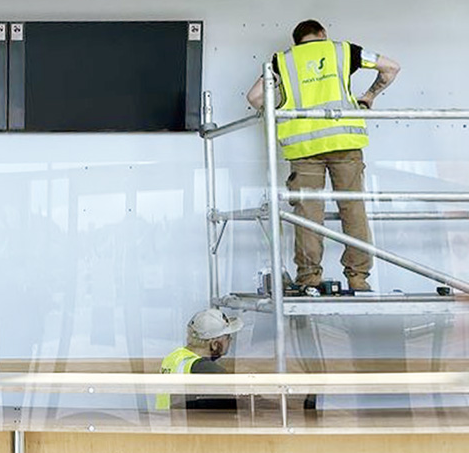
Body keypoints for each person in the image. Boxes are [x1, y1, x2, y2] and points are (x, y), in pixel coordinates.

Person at [247, 20, 400, 292]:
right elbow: (391, 68)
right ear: (322, 34)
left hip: (304, 149)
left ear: (297, 41)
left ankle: (309, 280)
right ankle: (358, 278)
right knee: (353, 210)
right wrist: (369, 96)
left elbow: (255, 97)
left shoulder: (282, 60)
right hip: (345, 141)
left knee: (307, 215)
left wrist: (281, 108)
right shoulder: (343, 51)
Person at [155, 308, 242, 410]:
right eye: (227, 337)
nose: (230, 340)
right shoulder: (206, 369)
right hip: (183, 423)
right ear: (214, 344)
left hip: (164, 420)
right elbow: (236, 405)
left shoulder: (174, 356)